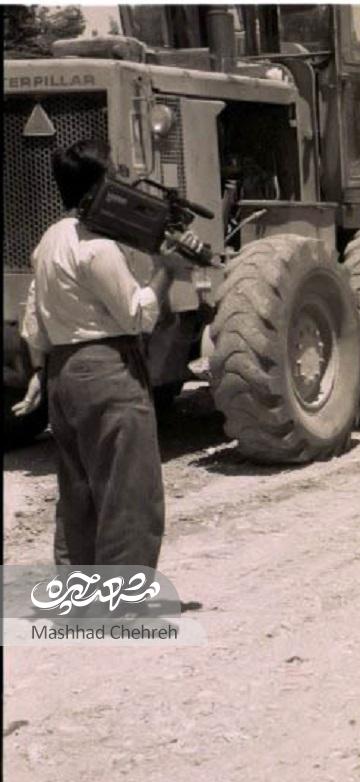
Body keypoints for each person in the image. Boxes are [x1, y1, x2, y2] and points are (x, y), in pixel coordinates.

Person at [12, 139, 193, 568]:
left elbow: (33, 313)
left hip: (63, 375)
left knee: (78, 497)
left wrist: (38, 371)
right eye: (114, 175)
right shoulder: (98, 247)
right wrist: (167, 271)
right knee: (128, 495)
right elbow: (138, 316)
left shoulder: (50, 239)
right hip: (108, 371)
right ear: (100, 186)